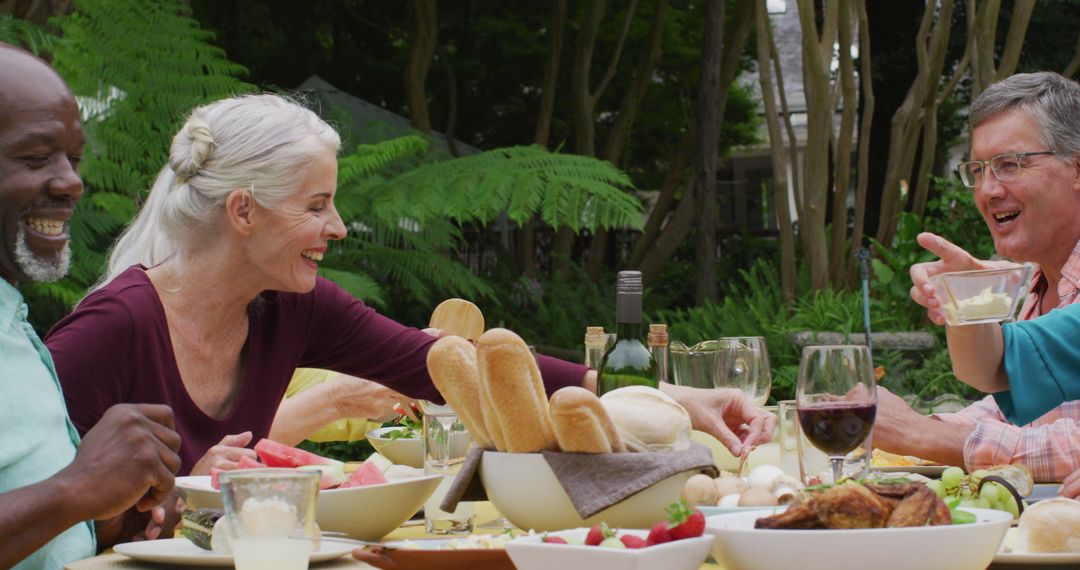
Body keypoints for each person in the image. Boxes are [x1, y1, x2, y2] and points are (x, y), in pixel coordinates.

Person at [45, 93, 774, 477]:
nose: (338, 228)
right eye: (316, 205)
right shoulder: (110, 330)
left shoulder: (293, 309)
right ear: (243, 211)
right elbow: (35, 509)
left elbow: (455, 367)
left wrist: (670, 395)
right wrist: (180, 486)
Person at [0, 43, 181, 568]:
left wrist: (107, 516)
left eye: (73, 159)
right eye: (36, 158)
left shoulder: (12, 315)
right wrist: (75, 489)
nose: (72, 182)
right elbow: (66, 492)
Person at [872, 71, 1080, 482]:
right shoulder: (1035, 284)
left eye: (1009, 165)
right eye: (978, 169)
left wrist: (918, 435)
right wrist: (966, 296)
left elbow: (999, 367)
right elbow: (997, 380)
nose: (987, 190)